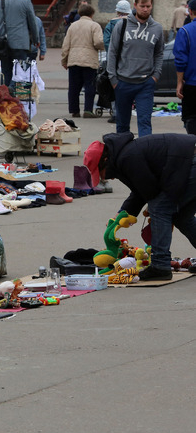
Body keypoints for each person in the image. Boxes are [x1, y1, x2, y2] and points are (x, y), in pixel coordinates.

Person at [85, 132, 196, 281]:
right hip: (186, 163)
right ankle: (161, 264)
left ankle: (160, 265)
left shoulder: (127, 158)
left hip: (189, 162)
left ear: (105, 160)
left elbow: (150, 191)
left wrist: (138, 210)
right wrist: (122, 213)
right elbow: (140, 190)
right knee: (182, 217)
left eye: (101, 173)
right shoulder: (123, 157)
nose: (104, 178)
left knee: (159, 208)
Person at [107, 0, 164, 137]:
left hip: (145, 84)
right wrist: (113, 79)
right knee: (122, 124)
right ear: (135, 6)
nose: (145, 9)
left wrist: (155, 75)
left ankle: (145, 154)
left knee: (144, 122)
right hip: (123, 82)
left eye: (148, 6)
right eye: (142, 6)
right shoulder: (122, 25)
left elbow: (159, 53)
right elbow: (112, 52)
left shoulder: (157, 28)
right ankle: (123, 155)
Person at [61, 3, 103, 119]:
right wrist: (102, 47)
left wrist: (64, 60)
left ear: (79, 13)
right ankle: (88, 110)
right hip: (89, 60)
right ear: (92, 14)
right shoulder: (95, 26)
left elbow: (65, 45)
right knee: (90, 85)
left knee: (74, 87)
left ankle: (74, 110)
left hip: (74, 60)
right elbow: (98, 42)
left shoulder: (72, 26)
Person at [0, 0, 39, 86]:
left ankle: (5, 95)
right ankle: (11, 90)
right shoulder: (25, 2)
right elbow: (32, 22)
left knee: (5, 71)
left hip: (2, 42)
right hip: (20, 43)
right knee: (19, 71)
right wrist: (36, 39)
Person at [103, 0, 132, 124]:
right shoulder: (133, 23)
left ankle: (116, 113)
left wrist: (111, 54)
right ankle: (127, 112)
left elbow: (106, 41)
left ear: (117, 11)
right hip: (129, 59)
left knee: (115, 84)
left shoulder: (111, 23)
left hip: (114, 59)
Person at [176, 0, 196, 134]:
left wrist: (179, 82)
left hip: (192, 84)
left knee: (191, 120)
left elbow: (180, 60)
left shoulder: (185, 31)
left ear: (189, 12)